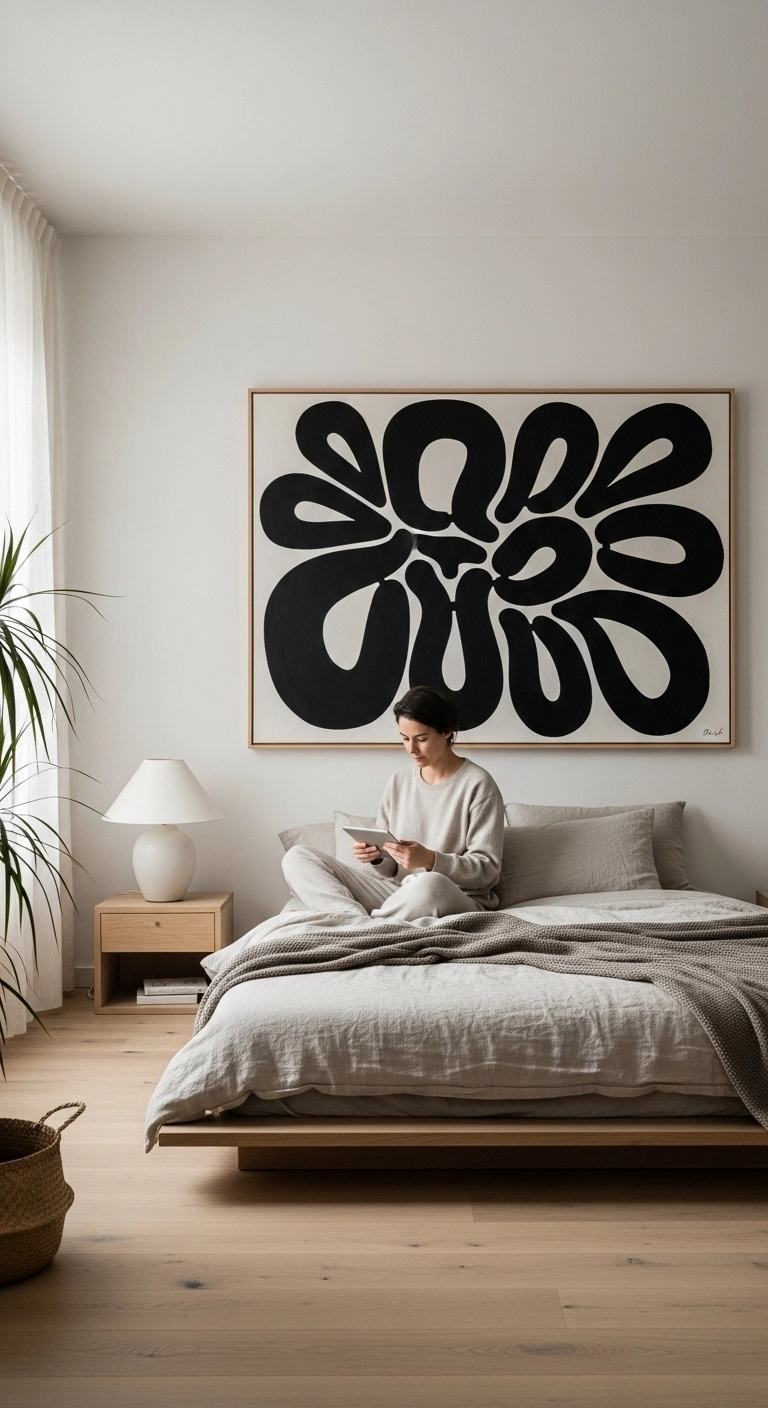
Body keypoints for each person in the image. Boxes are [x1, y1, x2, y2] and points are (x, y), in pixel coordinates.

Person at [282, 685, 504, 923]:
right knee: (297, 857)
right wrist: (377, 857)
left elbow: (487, 871)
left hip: (449, 894)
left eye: (421, 739)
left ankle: (361, 924)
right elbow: (390, 870)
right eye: (405, 738)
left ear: (447, 732)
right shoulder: (399, 780)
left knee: (430, 884)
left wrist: (430, 859)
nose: (412, 749)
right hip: (395, 894)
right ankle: (354, 920)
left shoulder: (479, 784)